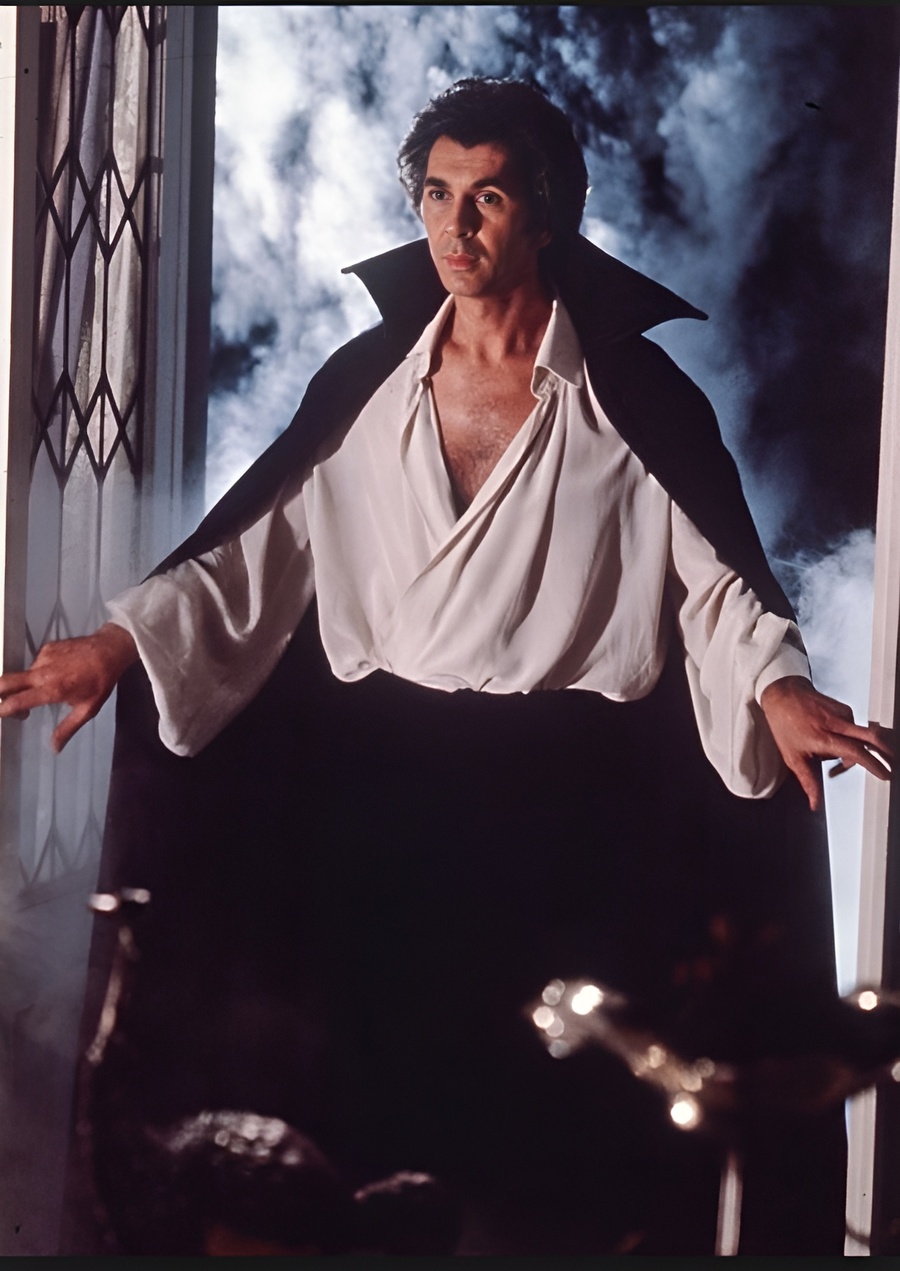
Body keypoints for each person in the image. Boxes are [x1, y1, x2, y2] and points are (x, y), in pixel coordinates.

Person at [0, 78, 893, 1253]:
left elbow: (718, 582)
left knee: (551, 1152)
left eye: (488, 197)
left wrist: (778, 690)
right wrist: (117, 644)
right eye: (435, 193)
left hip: (571, 813)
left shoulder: (635, 400)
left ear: (550, 214)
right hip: (383, 800)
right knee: (376, 1139)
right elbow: (257, 548)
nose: (455, 226)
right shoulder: (367, 382)